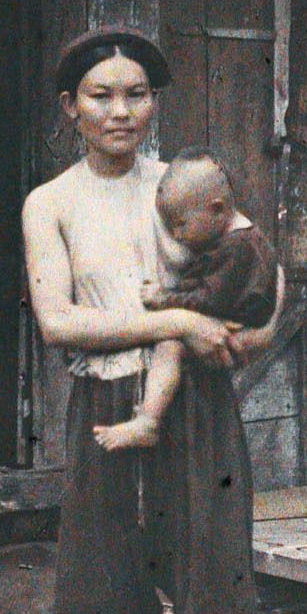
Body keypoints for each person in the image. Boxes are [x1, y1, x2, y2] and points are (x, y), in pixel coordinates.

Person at [21, 28, 283, 614]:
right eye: (100, 95)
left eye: (135, 94)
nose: (119, 110)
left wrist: (257, 331)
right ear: (70, 109)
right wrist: (174, 319)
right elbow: (58, 319)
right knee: (105, 599)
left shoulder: (183, 186)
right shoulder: (50, 203)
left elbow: (261, 273)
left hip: (195, 408)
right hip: (104, 404)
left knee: (213, 588)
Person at [92, 148, 279, 455]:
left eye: (181, 224)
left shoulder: (236, 249)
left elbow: (208, 300)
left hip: (232, 326)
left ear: (217, 209)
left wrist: (165, 299)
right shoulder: (242, 236)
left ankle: (148, 421)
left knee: (170, 347)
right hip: (231, 322)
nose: (176, 235)